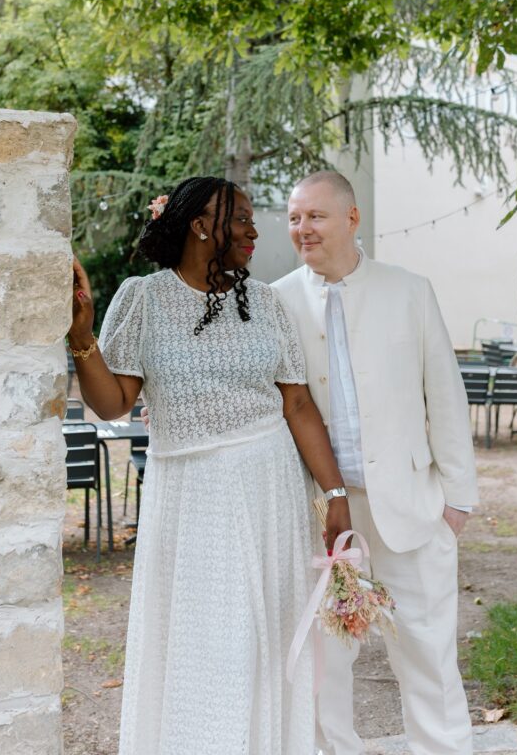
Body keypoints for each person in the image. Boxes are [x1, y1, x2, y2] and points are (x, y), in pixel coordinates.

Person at [68, 175, 352, 755]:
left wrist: (336, 494)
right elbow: (113, 403)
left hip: (269, 487)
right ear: (200, 225)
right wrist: (81, 334)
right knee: (203, 639)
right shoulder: (142, 298)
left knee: (262, 638)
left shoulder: (266, 302)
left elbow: (296, 403)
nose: (254, 230)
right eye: (241, 218)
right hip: (190, 496)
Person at [273, 170, 479, 755]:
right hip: (320, 513)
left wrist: (456, 502)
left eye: (315, 216)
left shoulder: (409, 290)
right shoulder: (277, 300)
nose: (302, 229)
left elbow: (445, 394)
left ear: (351, 218)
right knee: (324, 661)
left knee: (427, 653)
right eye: (294, 218)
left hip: (413, 508)